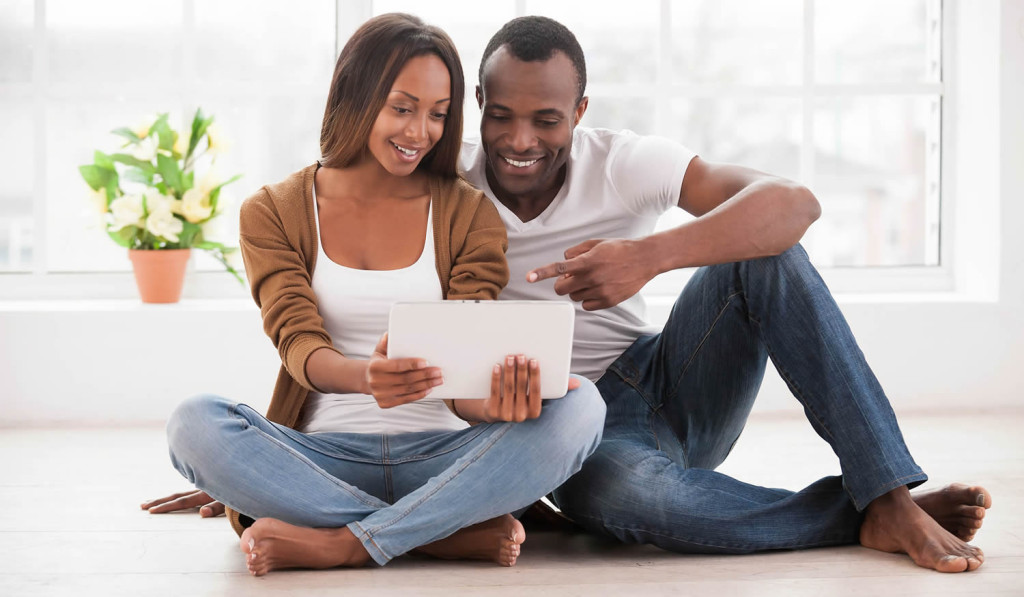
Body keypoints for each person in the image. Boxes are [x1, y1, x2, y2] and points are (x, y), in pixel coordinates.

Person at [453, 15, 991, 573]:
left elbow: (793, 204)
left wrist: (648, 257)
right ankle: (861, 517)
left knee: (770, 253)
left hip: (664, 378)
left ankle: (888, 493)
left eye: (546, 120)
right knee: (641, 503)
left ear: (580, 112)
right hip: (569, 428)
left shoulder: (622, 162)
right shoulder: (449, 182)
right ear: (479, 102)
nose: (520, 141)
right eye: (501, 116)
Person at [156, 13, 604, 577]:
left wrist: (493, 402)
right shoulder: (273, 212)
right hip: (320, 458)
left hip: (442, 458)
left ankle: (347, 541)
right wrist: (367, 376)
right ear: (356, 94)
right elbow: (297, 344)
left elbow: (461, 369)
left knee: (583, 405)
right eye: (402, 107)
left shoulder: (467, 213)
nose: (420, 132)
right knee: (192, 424)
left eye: (439, 114)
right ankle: (434, 533)